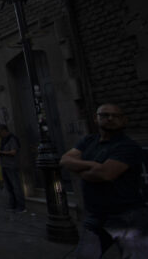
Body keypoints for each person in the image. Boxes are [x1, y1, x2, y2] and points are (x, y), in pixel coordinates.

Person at [60, 103, 148, 258]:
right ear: (96, 119)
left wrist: (79, 170)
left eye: (116, 116)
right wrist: (92, 165)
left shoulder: (128, 146)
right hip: (96, 216)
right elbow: (65, 160)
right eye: (105, 115)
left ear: (124, 120)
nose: (110, 118)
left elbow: (105, 174)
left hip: (127, 216)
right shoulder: (88, 141)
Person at [0, 124, 26, 213]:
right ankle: (13, 204)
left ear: (4, 131)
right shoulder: (4, 140)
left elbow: (13, 152)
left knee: (16, 186)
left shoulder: (12, 139)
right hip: (5, 166)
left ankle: (21, 206)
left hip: (12, 165)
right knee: (9, 187)